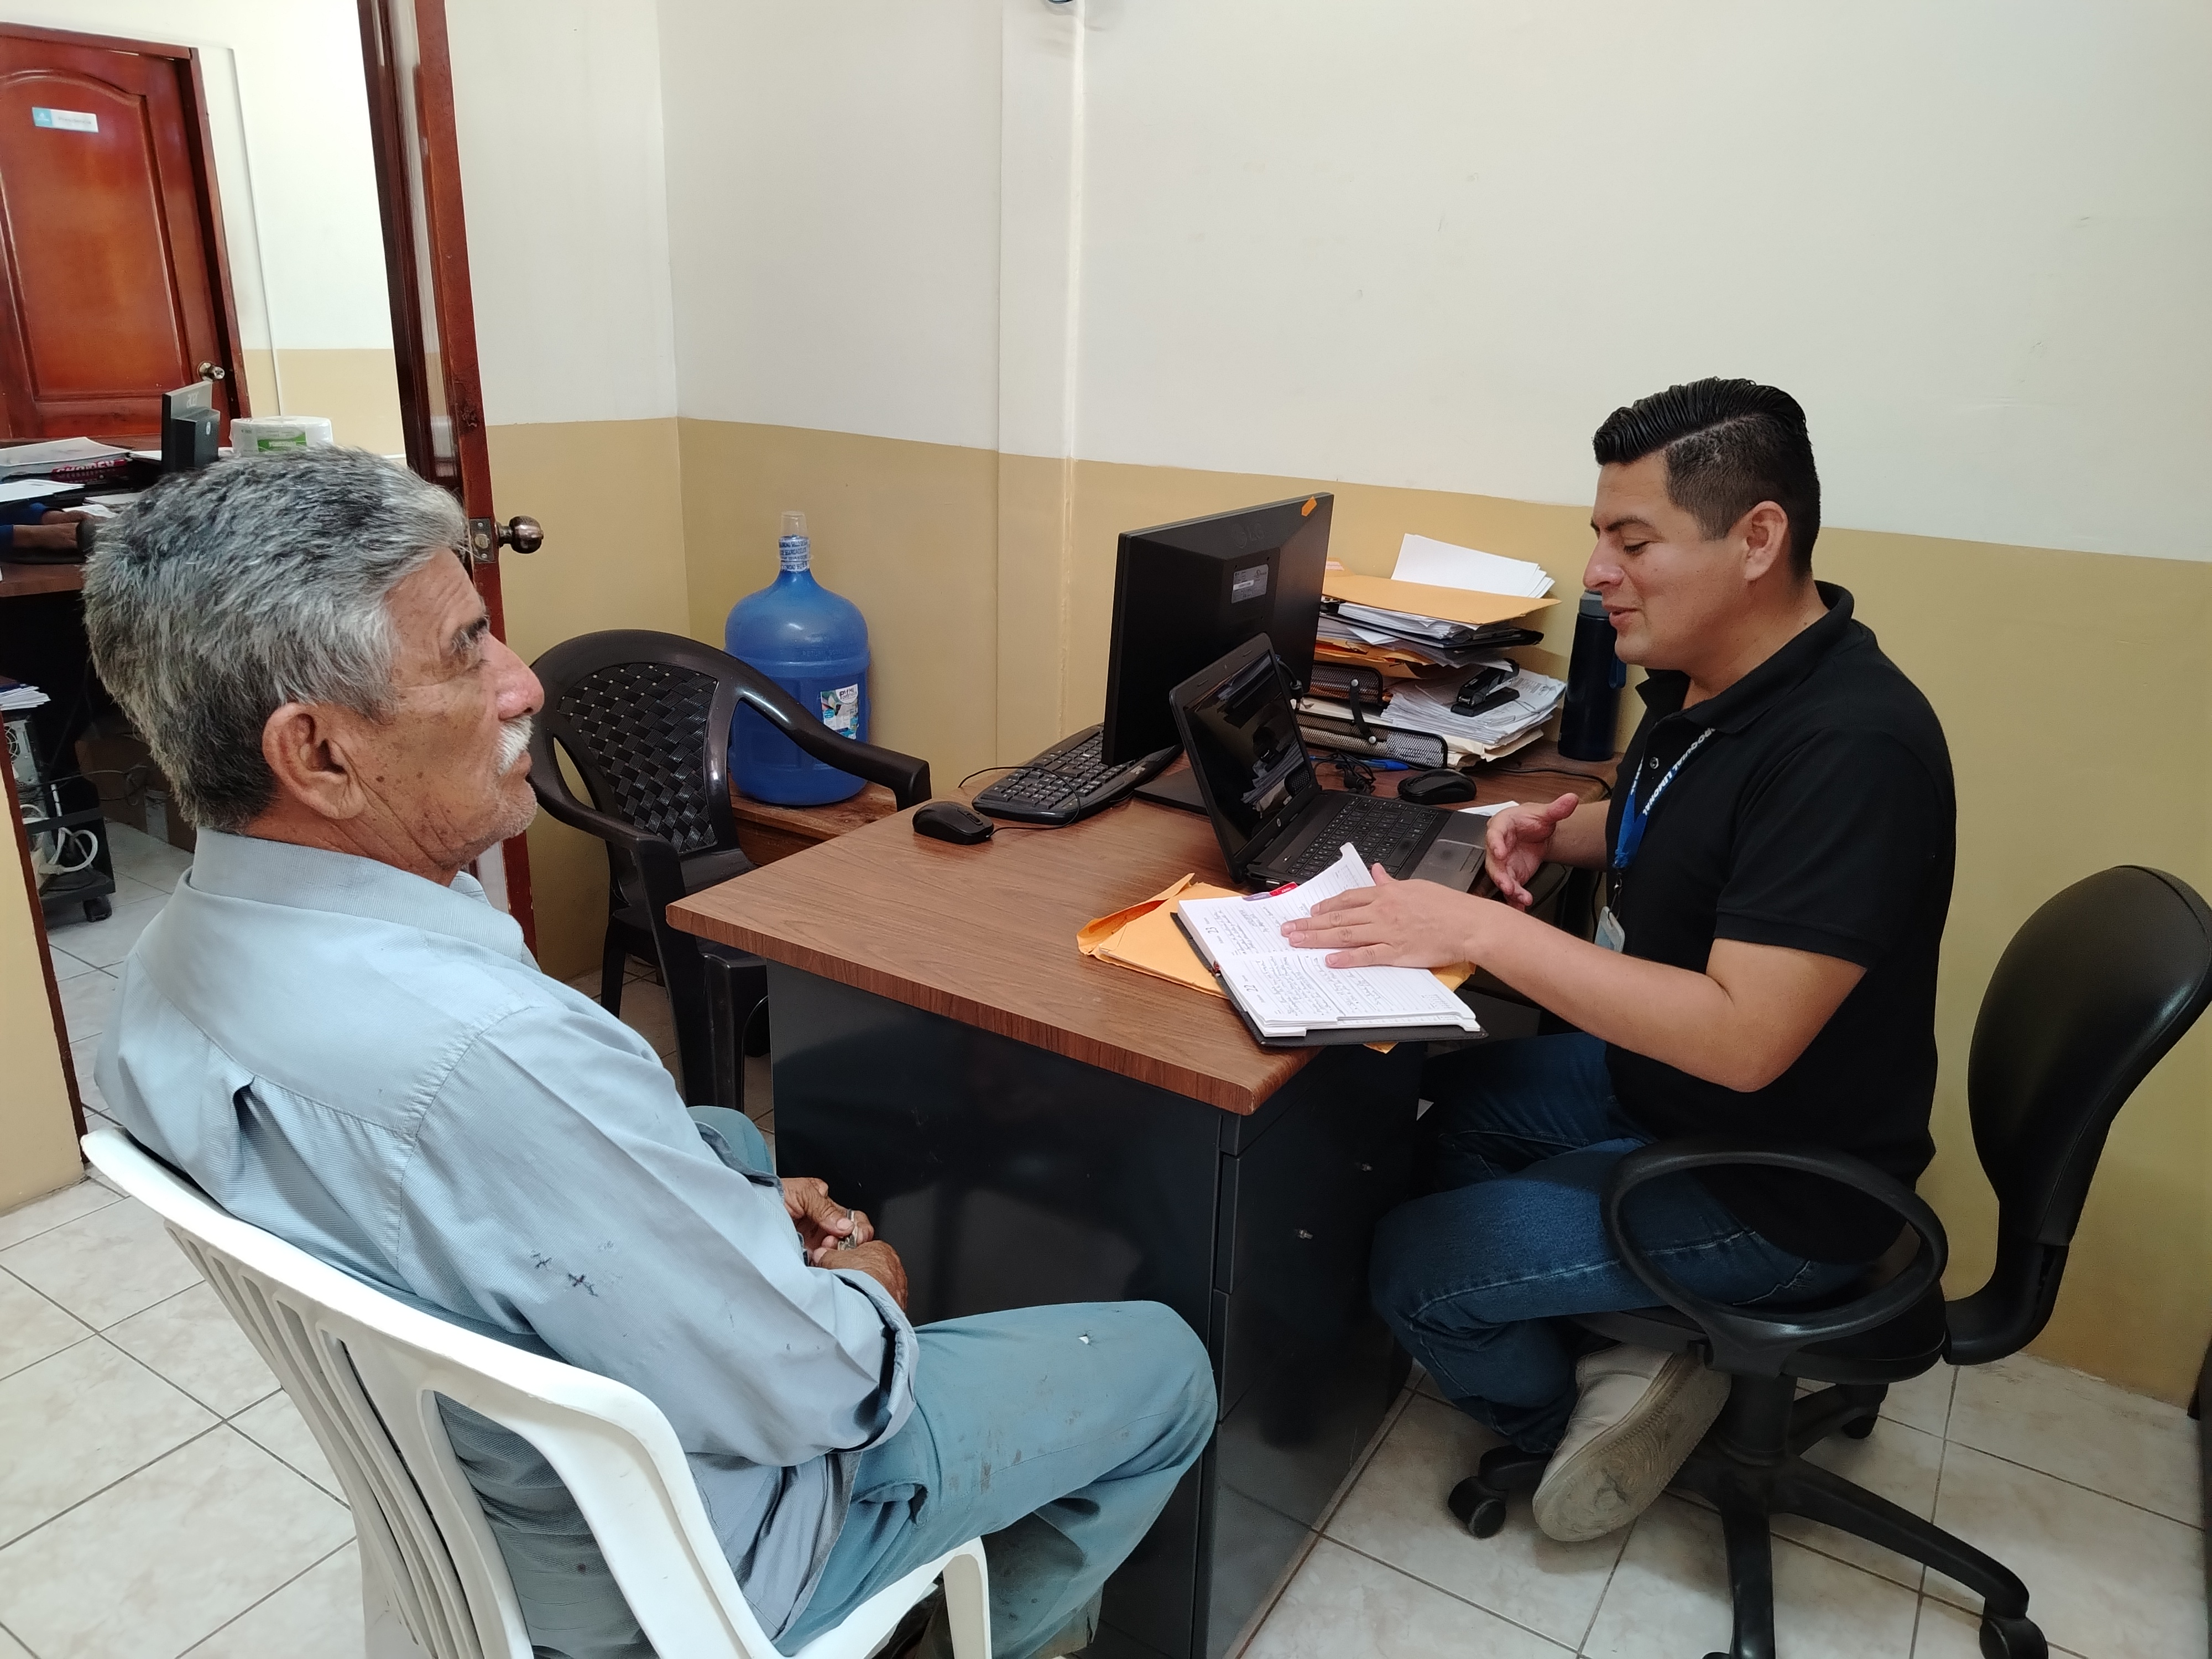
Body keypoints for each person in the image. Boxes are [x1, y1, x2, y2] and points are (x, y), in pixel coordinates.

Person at [84, 447, 1213, 1659]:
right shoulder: (497, 1058)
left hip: (466, 1496)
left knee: (720, 1138)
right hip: (676, 1562)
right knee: (1161, 1368)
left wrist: (712, 1210)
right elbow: (819, 1393)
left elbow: (502, 1193)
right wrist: (868, 1282)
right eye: (465, 650)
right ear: (316, 755)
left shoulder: (160, 975)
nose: (523, 686)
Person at [1284, 379, 1954, 1544]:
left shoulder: (1852, 749)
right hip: (1672, 1094)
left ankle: (1579, 1424)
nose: (1598, 572)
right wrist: (1560, 829)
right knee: (1442, 1111)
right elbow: (1697, 823)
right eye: (1601, 536)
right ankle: (1632, 1334)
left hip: (1780, 1184)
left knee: (1412, 1267)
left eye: (1633, 543)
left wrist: (1484, 930)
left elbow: (1744, 1040)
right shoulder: (1721, 678)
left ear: (1757, 538)